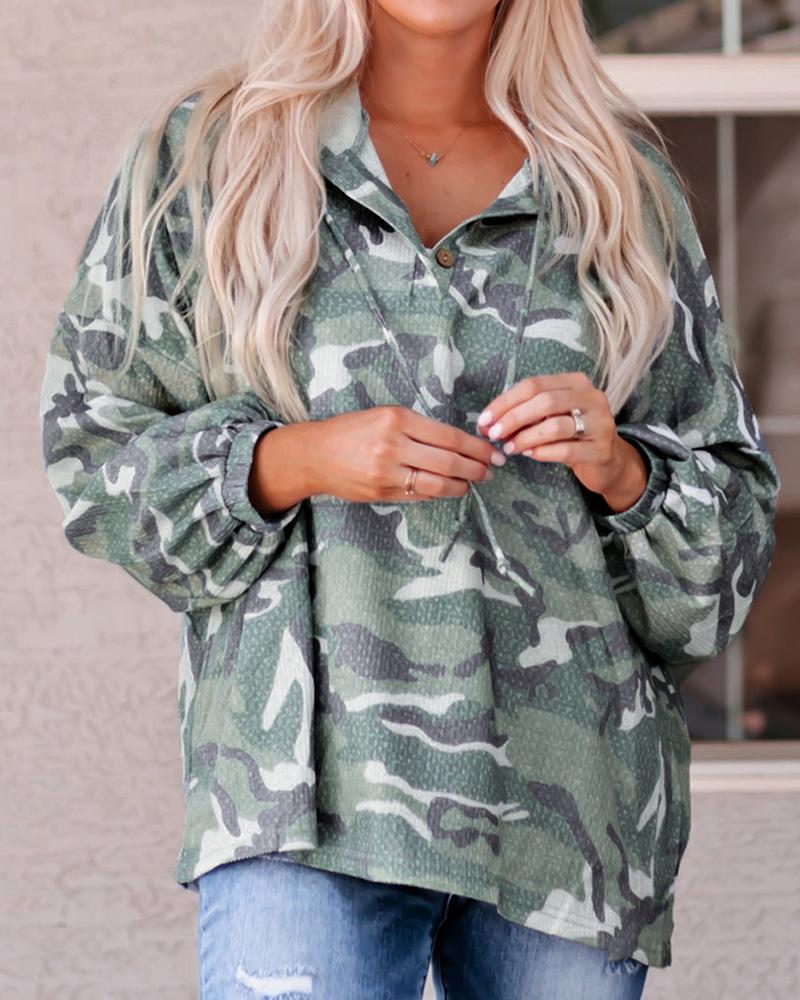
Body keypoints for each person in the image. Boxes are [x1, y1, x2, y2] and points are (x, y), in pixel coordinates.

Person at [39, 1, 780, 997]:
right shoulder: (212, 161)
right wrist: (294, 459)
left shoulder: (618, 189)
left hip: (572, 813)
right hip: (304, 803)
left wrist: (619, 467)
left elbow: (724, 559)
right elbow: (95, 460)